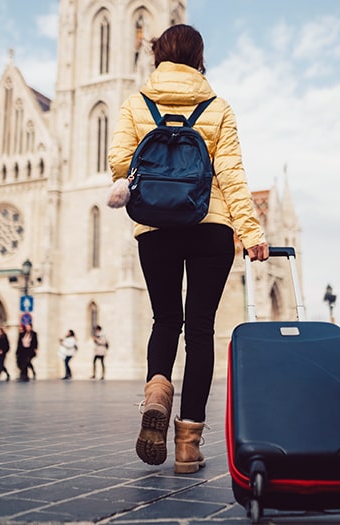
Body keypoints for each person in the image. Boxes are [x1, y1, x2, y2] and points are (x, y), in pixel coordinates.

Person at [108, 24, 269, 474]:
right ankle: (187, 446)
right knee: (199, 330)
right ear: (200, 58)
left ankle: (158, 389)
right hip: (210, 225)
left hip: (155, 225)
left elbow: (119, 163)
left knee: (165, 319)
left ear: (158, 55)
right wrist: (251, 234)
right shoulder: (217, 107)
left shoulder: (135, 102)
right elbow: (233, 175)